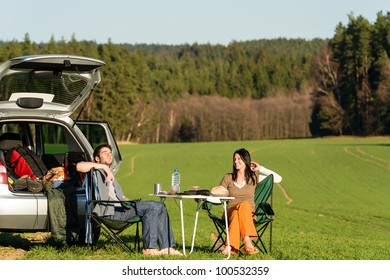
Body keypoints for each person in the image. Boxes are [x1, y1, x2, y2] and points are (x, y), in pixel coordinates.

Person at [76, 144, 182, 256]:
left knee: (159, 205)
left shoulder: (110, 175)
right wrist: (103, 167)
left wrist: (137, 203)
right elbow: (79, 166)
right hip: (111, 213)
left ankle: (167, 247)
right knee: (152, 206)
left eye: (110, 153)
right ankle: (149, 249)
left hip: (122, 208)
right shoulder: (95, 171)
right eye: (105, 152)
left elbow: (122, 198)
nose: (109, 155)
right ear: (97, 158)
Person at [214, 148, 282, 255]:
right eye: (234, 159)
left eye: (239, 158)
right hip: (229, 213)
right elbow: (218, 193)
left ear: (246, 160)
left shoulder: (254, 177)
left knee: (242, 208)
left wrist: (261, 168)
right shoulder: (228, 178)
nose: (236, 161)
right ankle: (247, 241)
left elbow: (278, 178)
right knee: (240, 208)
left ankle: (228, 248)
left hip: (248, 215)